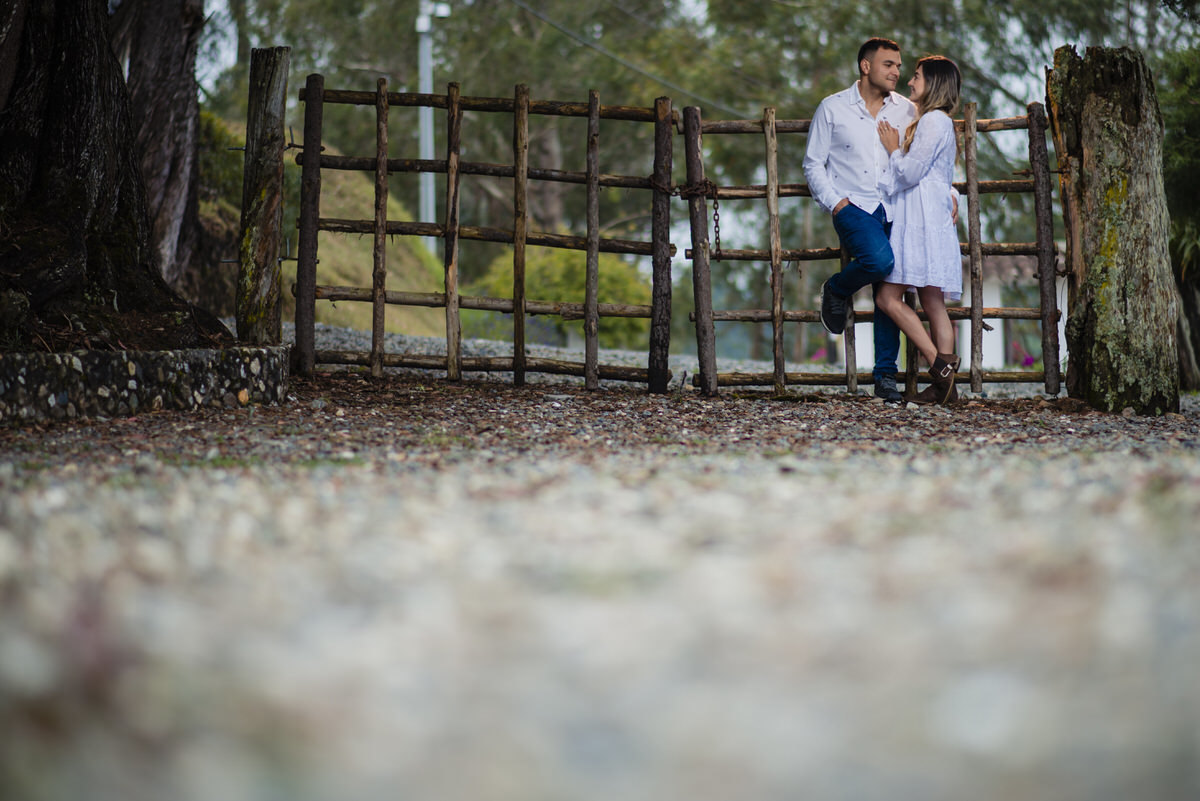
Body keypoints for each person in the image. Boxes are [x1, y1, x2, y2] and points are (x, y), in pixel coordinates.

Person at [803, 37, 915, 404]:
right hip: (854, 207)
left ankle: (885, 377)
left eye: (899, 65)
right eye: (889, 64)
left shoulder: (907, 111)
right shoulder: (832, 108)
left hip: (897, 208)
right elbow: (812, 163)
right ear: (866, 66)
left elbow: (924, 160)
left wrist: (947, 195)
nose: (897, 71)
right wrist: (836, 203)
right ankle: (836, 288)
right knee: (880, 261)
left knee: (890, 290)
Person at [875, 55, 964, 405]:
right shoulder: (934, 122)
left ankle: (939, 371)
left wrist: (894, 149)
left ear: (934, 84)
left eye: (916, 77)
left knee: (887, 297)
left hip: (922, 220)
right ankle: (947, 389)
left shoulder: (934, 122)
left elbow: (911, 173)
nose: (910, 82)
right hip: (929, 216)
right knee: (932, 300)